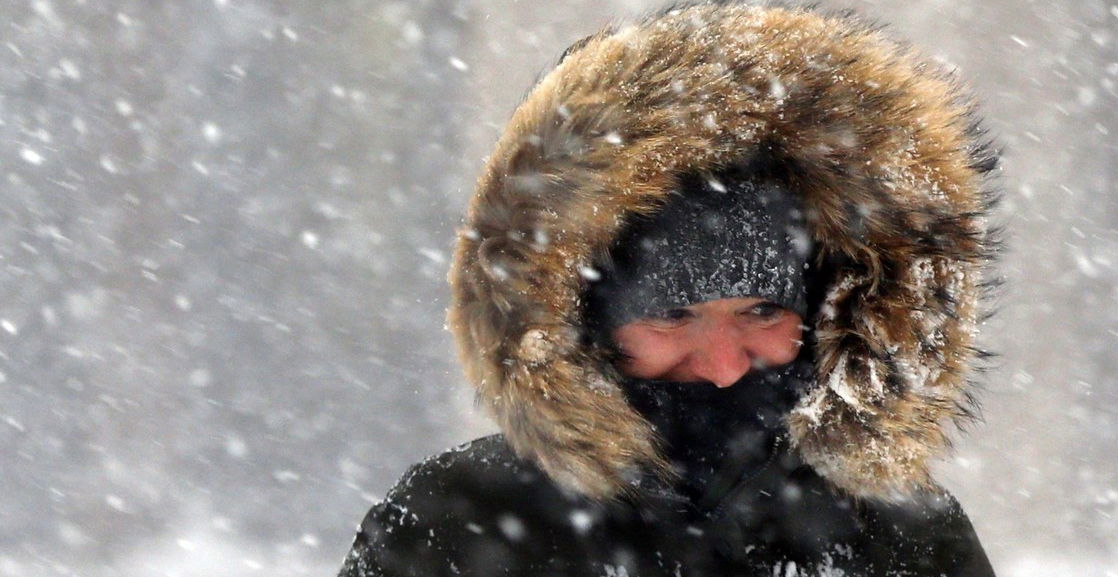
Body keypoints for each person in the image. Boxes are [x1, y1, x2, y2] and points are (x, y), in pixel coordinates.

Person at [338, 3, 1000, 576]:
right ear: (583, 323)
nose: (722, 366)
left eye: (764, 309)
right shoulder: (456, 528)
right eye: (673, 314)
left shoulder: (903, 539)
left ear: (834, 309)